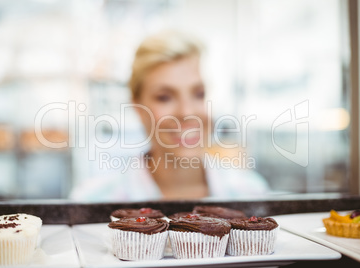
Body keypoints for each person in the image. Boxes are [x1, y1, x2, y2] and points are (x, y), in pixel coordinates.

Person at [70, 30, 269, 202]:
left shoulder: (251, 193)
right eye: (164, 97)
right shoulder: (94, 201)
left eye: (199, 94)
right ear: (137, 106)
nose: (187, 112)